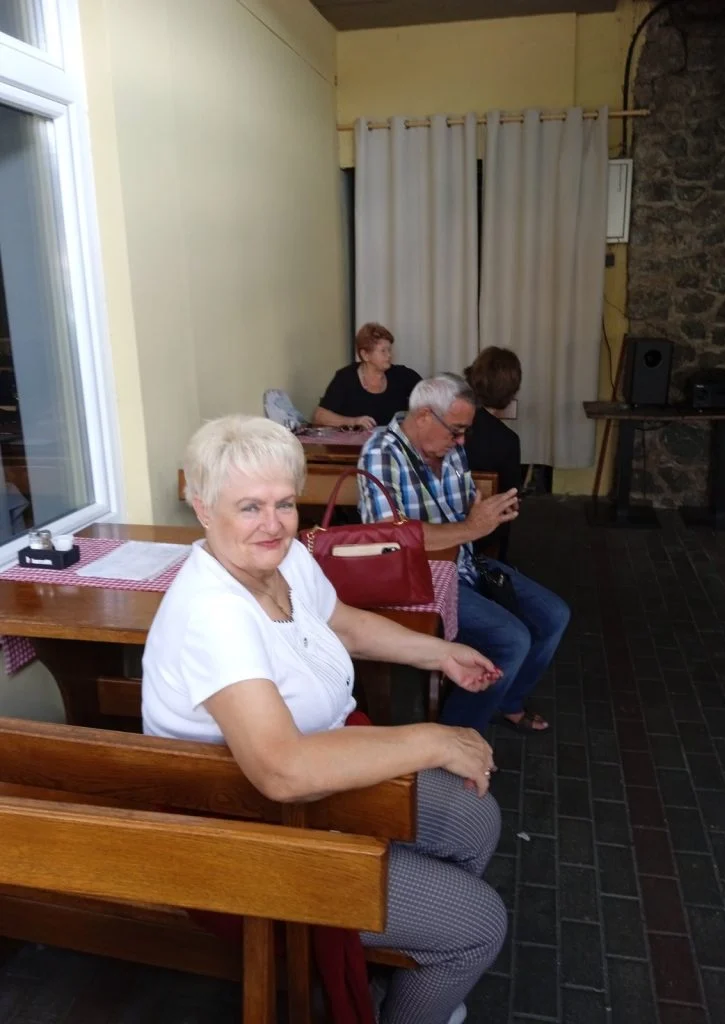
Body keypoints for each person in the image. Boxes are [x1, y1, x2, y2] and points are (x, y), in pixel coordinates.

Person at [142, 414, 507, 1024]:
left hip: (318, 776)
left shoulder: (282, 560)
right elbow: (282, 771)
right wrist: (430, 738)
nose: (273, 523)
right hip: (245, 830)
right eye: (249, 507)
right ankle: (427, 965)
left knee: (475, 818)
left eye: (284, 504)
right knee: (479, 925)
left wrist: (440, 653)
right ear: (203, 508)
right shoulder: (214, 614)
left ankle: (409, 954)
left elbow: (345, 624)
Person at [357, 375, 570, 735]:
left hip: (466, 564)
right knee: (511, 640)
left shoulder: (449, 450)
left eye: (463, 432)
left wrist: (489, 513)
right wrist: (472, 528)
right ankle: (455, 737)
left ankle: (506, 699)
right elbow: (392, 538)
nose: (461, 441)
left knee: (554, 616)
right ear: (424, 416)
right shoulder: (381, 452)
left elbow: (466, 511)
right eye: (456, 431)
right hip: (418, 579)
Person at [462, 347, 523, 559]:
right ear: (511, 391)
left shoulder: (450, 422)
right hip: (485, 536)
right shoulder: (508, 441)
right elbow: (511, 500)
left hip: (441, 522)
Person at [314, 323, 421, 429]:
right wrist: (353, 421)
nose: (389, 355)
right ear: (365, 355)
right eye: (383, 351)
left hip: (392, 439)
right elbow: (320, 416)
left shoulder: (402, 375)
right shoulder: (346, 378)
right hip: (355, 440)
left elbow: (428, 395)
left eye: (389, 350)